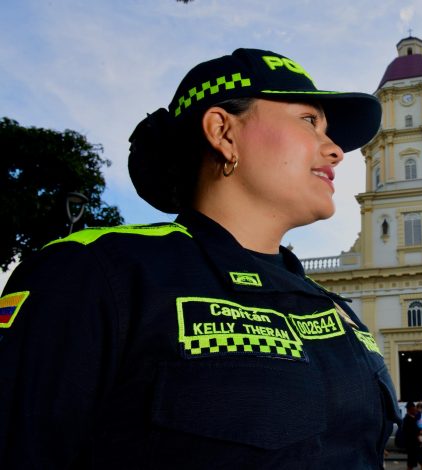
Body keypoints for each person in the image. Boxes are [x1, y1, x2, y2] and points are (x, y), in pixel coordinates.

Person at [0, 48, 398, 469]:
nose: (336, 150)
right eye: (309, 121)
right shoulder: (96, 273)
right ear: (223, 132)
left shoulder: (334, 309)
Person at [402, 402, 422, 470]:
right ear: (410, 409)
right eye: (414, 409)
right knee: (412, 464)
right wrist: (420, 433)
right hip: (412, 446)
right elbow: (411, 432)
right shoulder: (408, 419)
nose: (416, 410)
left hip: (416, 445)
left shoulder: (413, 418)